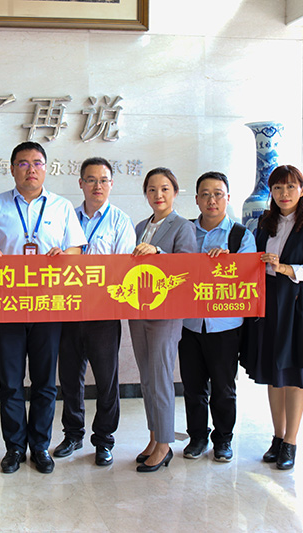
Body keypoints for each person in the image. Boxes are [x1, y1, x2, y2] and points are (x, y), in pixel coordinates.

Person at [0, 141, 86, 474]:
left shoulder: (61, 207)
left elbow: (77, 250)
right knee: (10, 382)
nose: (31, 169)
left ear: (46, 168)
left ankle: (39, 446)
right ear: (12, 169)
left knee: (45, 382)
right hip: (6, 305)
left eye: (37, 163)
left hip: (48, 305)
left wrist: (63, 255)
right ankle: (14, 447)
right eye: (23, 163)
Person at [240, 164, 303, 470]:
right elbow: (251, 260)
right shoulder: (264, 222)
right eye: (278, 187)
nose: (284, 193)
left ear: (302, 190)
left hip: (298, 306)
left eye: (291, 187)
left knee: (295, 376)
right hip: (268, 304)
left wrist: (282, 267)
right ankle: (277, 437)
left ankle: (291, 441)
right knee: (274, 374)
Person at [53, 157, 135, 466]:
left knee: (106, 380)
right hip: (69, 310)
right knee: (69, 378)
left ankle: (104, 440)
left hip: (103, 312)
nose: (97, 186)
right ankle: (73, 434)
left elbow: (123, 267)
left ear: (111, 184)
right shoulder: (65, 216)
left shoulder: (120, 221)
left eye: (103, 180)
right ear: (81, 183)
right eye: (91, 180)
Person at [178, 171, 256, 463]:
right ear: (197, 199)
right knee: (193, 386)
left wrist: (229, 265)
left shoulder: (240, 235)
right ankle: (197, 437)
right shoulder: (185, 231)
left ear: (228, 198)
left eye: (218, 194)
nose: (212, 200)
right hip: (188, 324)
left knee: (224, 388)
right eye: (206, 194)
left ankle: (223, 439)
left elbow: (249, 278)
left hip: (225, 325)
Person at [129, 167, 197, 473]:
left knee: (160, 378)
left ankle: (165, 444)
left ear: (175, 192)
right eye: (152, 189)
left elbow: (187, 265)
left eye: (165, 189)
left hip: (165, 313)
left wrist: (157, 251)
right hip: (138, 310)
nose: (158, 195)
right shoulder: (141, 226)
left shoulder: (183, 227)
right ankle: (154, 437)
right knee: (147, 378)